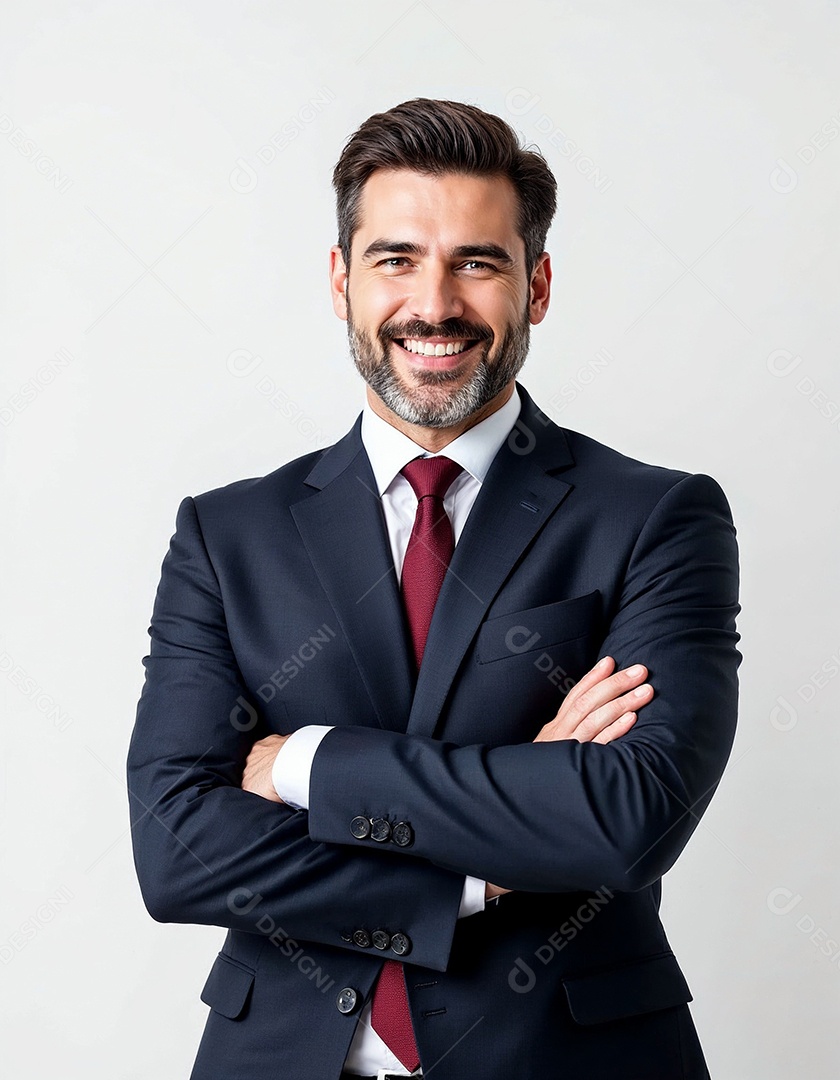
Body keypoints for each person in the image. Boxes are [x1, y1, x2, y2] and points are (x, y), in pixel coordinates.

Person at [127, 98, 741, 1080]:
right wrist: (487, 867)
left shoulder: (657, 518)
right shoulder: (228, 532)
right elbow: (179, 850)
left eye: (479, 262)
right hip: (279, 1056)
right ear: (342, 281)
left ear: (536, 286)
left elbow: (628, 816)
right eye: (397, 259)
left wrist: (309, 768)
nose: (436, 302)